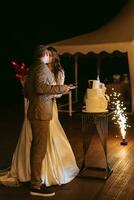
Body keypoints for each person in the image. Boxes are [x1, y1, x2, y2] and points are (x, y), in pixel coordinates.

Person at [0, 45, 79, 197]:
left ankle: (37, 179)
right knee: (39, 148)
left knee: (38, 146)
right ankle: (36, 185)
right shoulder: (41, 68)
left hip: (38, 111)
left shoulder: (33, 69)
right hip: (41, 113)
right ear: (44, 55)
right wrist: (63, 88)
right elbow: (41, 88)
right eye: (47, 54)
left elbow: (28, 93)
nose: (49, 56)